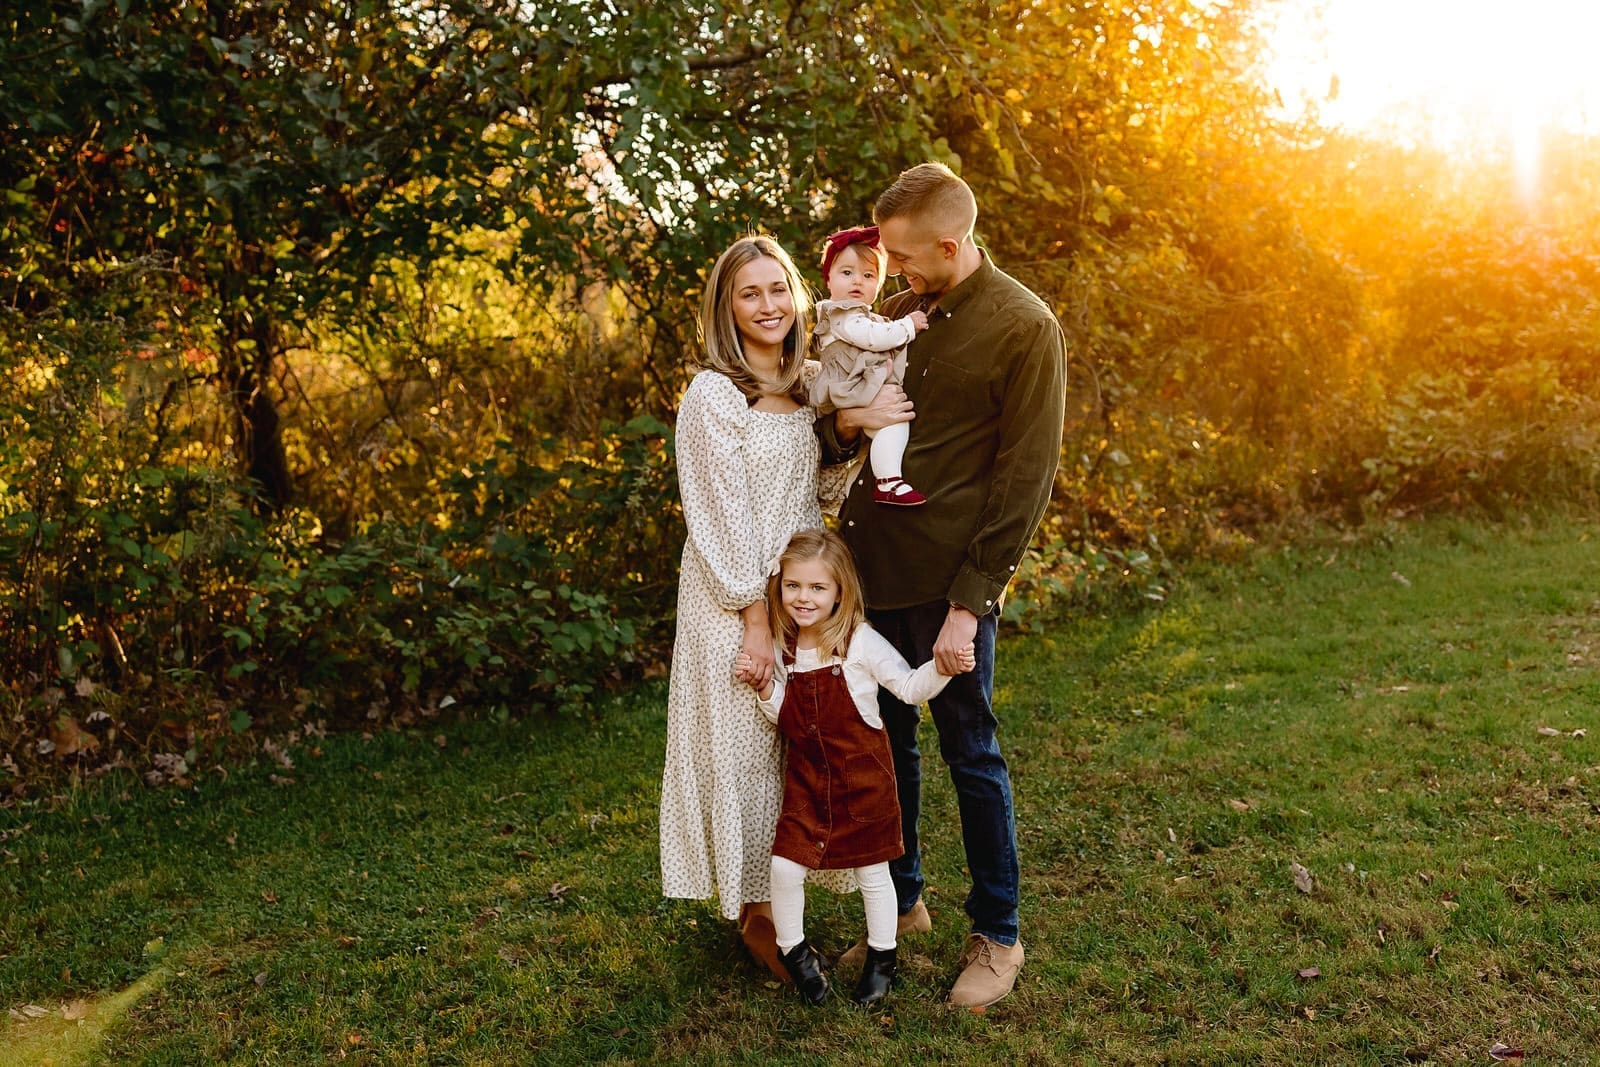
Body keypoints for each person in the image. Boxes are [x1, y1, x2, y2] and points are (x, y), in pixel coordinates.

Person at [818, 162, 1068, 1009]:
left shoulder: (1025, 327)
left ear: (951, 245)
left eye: (904, 256)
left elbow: (1024, 478)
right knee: (886, 751)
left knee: (972, 753)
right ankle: (905, 902)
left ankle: (998, 935)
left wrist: (970, 604)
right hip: (873, 576)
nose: (893, 271)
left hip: (949, 588)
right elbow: (840, 428)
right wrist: (847, 419)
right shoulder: (896, 320)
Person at [659, 234, 851, 982]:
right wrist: (753, 614)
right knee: (743, 756)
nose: (768, 305)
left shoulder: (808, 385)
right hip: (731, 599)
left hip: (800, 594)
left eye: (779, 289)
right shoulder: (714, 394)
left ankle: (785, 894)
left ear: (798, 297)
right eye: (750, 293)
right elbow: (718, 510)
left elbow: (820, 496)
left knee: (797, 752)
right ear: (726, 308)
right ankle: (757, 915)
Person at [735, 528, 974, 1008]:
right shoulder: (786, 647)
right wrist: (764, 689)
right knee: (784, 867)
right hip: (807, 781)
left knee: (872, 873)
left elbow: (907, 687)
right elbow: (789, 718)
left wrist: (945, 668)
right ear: (779, 589)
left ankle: (882, 960)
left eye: (817, 588)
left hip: (863, 781)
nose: (804, 598)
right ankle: (796, 953)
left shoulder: (859, 641)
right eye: (793, 586)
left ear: (840, 590)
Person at [808, 226, 930, 506]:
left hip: (864, 384)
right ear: (828, 279)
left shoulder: (864, 315)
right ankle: (888, 481)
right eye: (847, 273)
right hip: (855, 387)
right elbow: (873, 339)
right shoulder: (841, 314)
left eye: (868, 275)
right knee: (894, 423)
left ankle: (861, 487)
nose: (857, 282)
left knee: (878, 438)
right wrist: (908, 325)